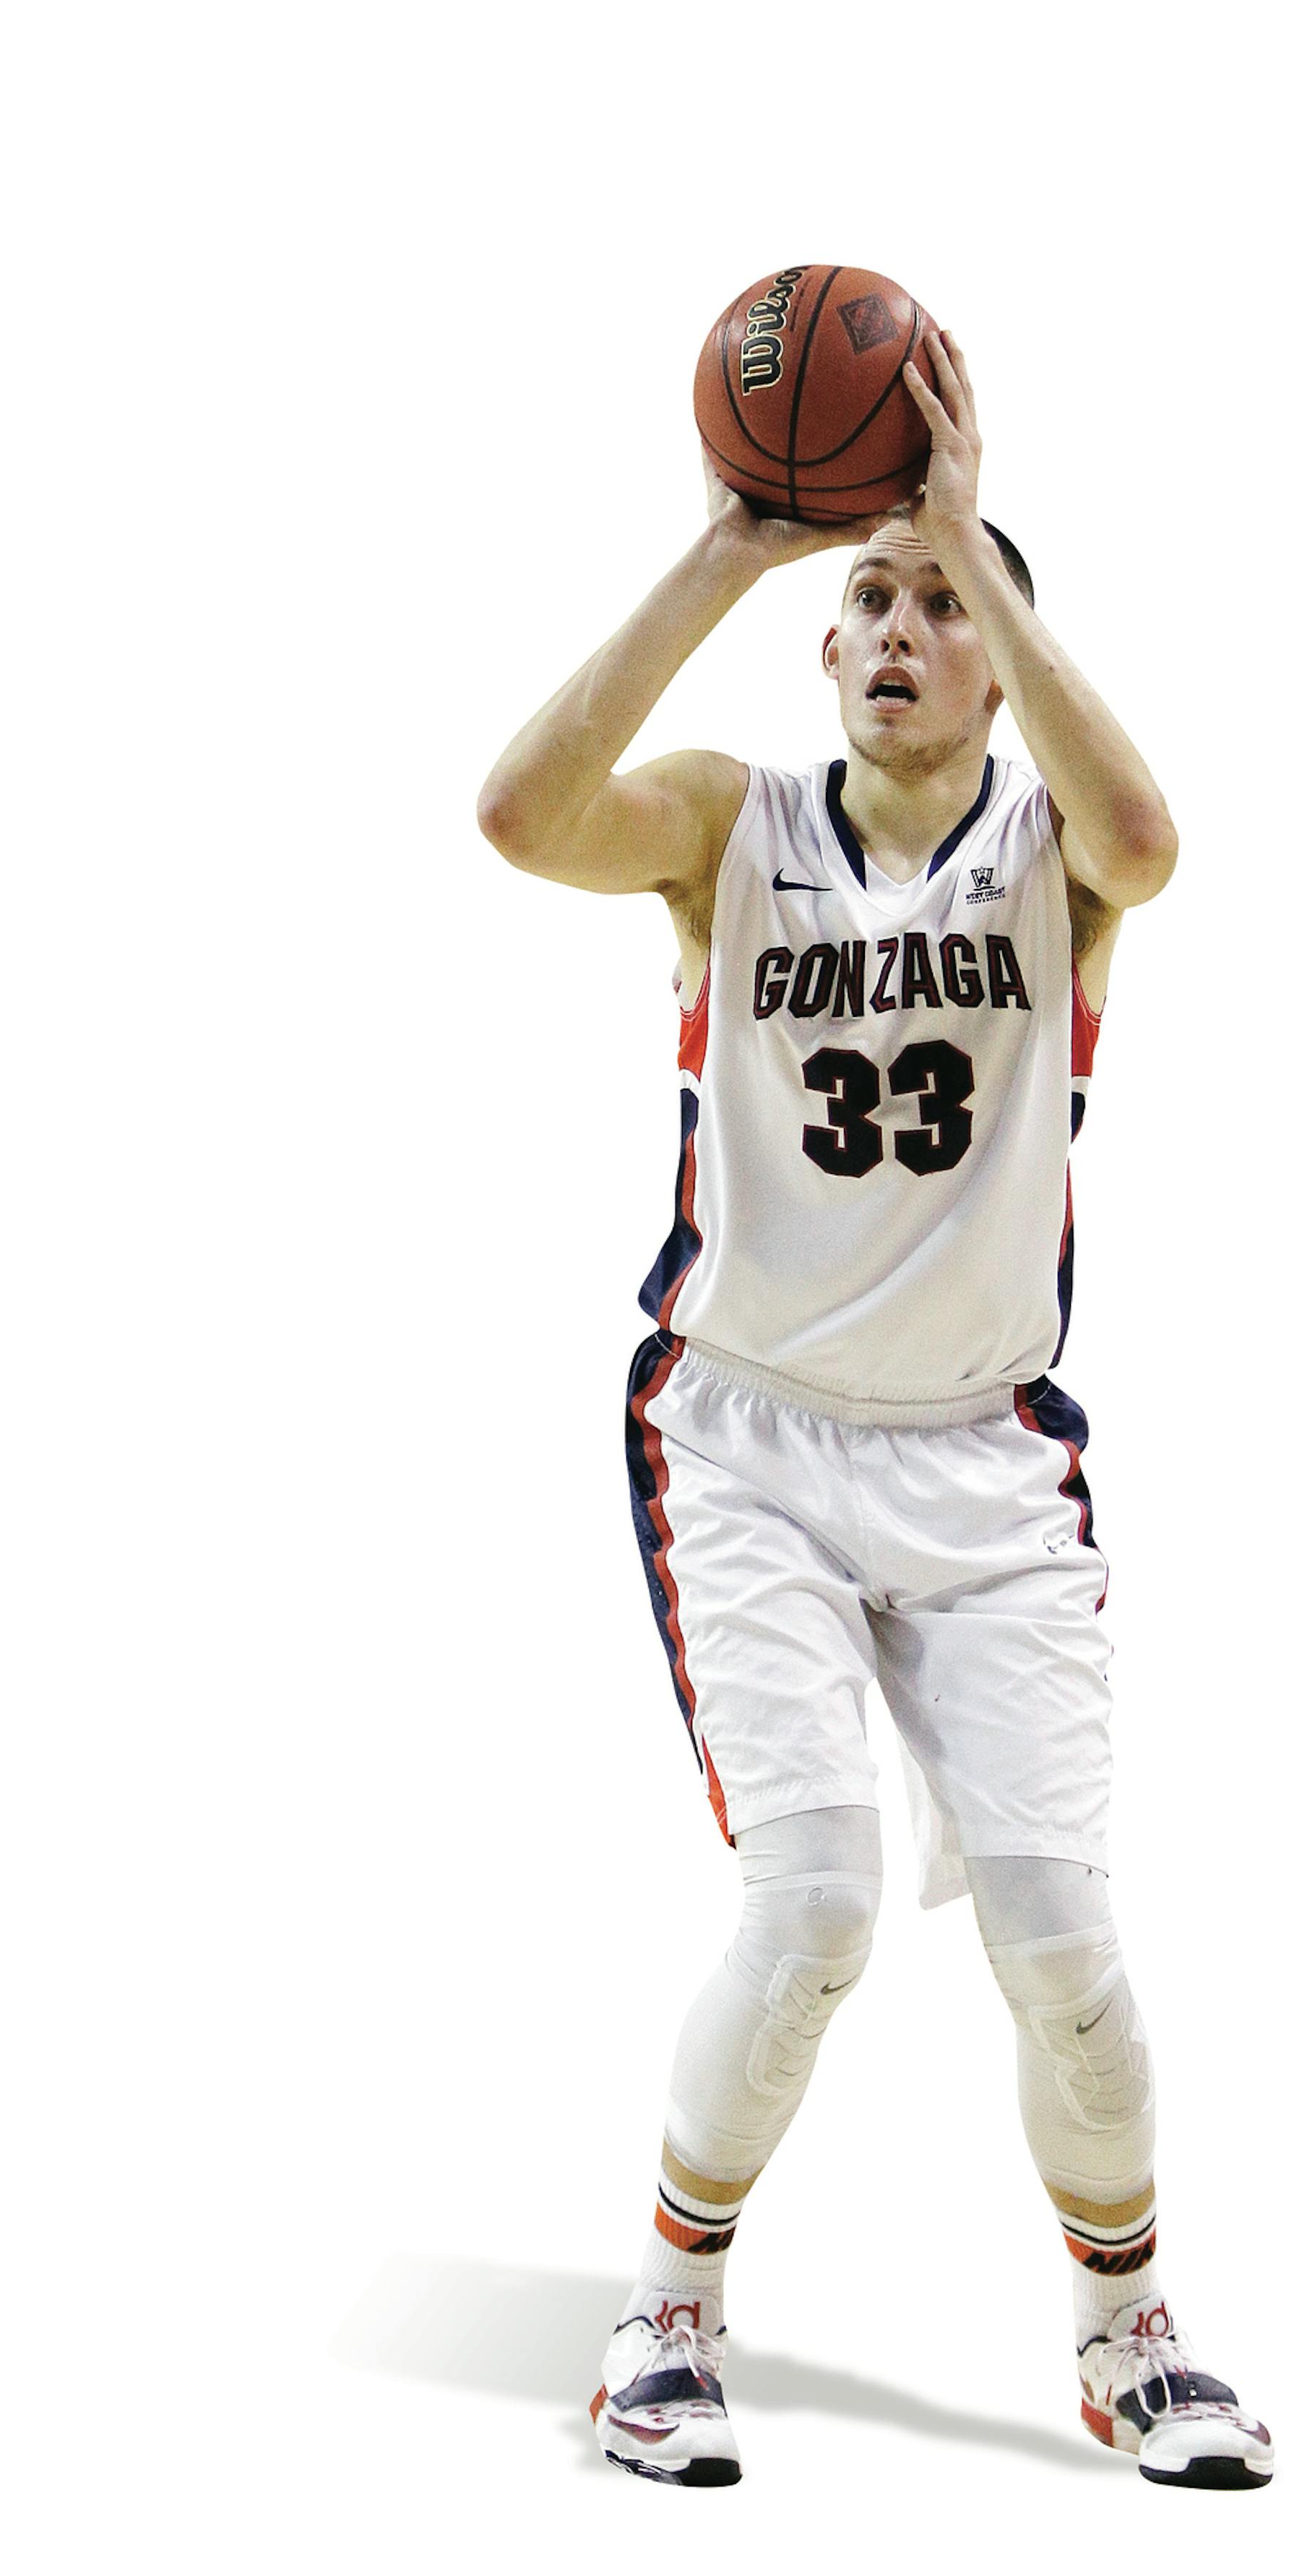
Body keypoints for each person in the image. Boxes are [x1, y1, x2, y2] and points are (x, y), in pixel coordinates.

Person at [476, 329, 1273, 2492]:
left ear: (998, 657)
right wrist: (737, 545)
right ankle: (667, 2307)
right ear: (827, 656)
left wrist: (970, 531)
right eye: (878, 605)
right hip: (745, 1438)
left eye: (942, 603)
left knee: (1066, 1946)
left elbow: (1158, 833)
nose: (906, 629)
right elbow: (517, 811)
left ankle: (1128, 2332)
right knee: (816, 1899)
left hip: (992, 1462)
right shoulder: (728, 827)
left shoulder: (1061, 855)